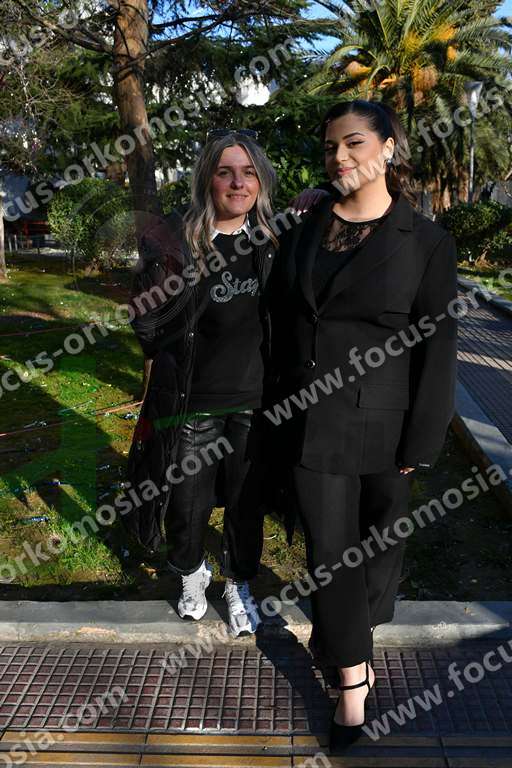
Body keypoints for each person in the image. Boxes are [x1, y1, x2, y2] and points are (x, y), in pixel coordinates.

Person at [265, 99, 458, 751]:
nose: (339, 156)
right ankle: (352, 684)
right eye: (330, 147)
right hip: (308, 424)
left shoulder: (425, 242)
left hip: (385, 427)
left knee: (378, 553)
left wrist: (422, 441)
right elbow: (279, 319)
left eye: (353, 143)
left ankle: (351, 635)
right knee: (331, 554)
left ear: (388, 148)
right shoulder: (303, 229)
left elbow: (437, 345)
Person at [126, 128, 280, 638]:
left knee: (244, 503)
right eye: (225, 172)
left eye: (249, 173)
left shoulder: (275, 241)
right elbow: (145, 318)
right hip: (192, 401)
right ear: (206, 179)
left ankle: (239, 582)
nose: (238, 183)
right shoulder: (175, 239)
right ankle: (192, 572)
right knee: (186, 503)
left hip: (255, 403)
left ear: (261, 180)